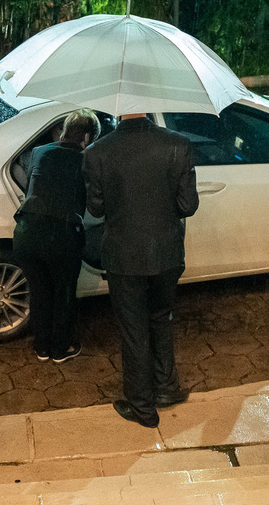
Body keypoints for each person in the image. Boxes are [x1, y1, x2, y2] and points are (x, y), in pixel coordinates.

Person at [83, 113, 198, 428]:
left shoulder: (98, 151)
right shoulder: (178, 144)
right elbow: (188, 206)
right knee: (161, 318)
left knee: (134, 330)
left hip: (124, 257)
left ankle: (143, 409)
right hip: (167, 253)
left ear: (118, 110)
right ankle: (167, 387)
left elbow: (96, 208)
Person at [13, 109, 101, 364]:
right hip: (61, 236)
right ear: (86, 137)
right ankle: (61, 349)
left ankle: (41, 348)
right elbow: (93, 204)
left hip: (27, 232)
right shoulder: (87, 162)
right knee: (63, 293)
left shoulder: (40, 152)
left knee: (39, 292)